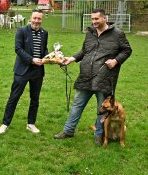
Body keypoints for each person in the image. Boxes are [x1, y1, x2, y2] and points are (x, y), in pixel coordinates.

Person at [53, 8, 132, 145]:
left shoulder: (117, 34)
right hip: (86, 76)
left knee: (101, 109)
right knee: (77, 104)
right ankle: (68, 130)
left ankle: (99, 135)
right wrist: (72, 58)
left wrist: (115, 61)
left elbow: (127, 50)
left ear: (104, 19)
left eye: (96, 19)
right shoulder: (90, 33)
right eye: (92, 19)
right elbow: (85, 51)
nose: (94, 21)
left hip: (105, 78)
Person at [0, 10, 49, 134]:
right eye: (34, 18)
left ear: (42, 20)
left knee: (35, 99)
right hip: (23, 70)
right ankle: (5, 123)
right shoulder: (22, 31)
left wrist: (50, 57)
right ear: (30, 18)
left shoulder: (44, 33)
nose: (37, 21)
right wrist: (31, 60)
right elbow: (18, 49)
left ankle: (31, 123)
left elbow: (44, 49)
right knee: (14, 97)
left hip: (38, 71)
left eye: (39, 19)